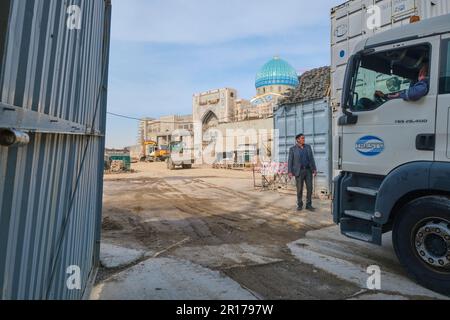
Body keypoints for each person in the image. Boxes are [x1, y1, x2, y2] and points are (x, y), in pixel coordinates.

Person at [288, 134, 317, 211]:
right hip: (299, 171)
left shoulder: (308, 147)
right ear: (297, 140)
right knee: (299, 189)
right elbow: (290, 161)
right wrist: (290, 171)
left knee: (310, 188)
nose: (304, 139)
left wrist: (314, 169)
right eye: (302, 138)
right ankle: (300, 204)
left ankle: (308, 205)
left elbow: (311, 159)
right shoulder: (292, 149)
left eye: (304, 138)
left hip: (308, 171)